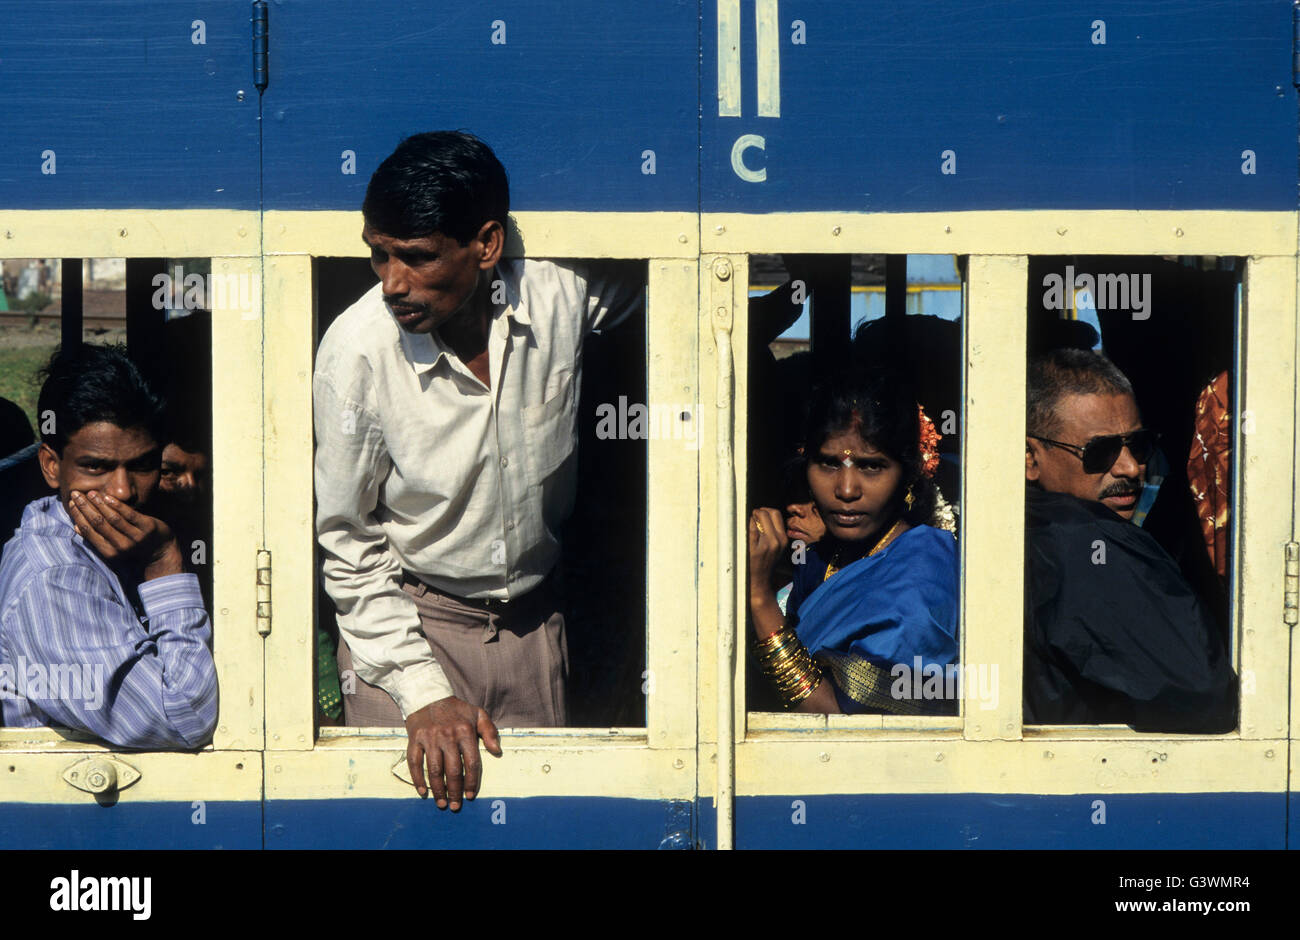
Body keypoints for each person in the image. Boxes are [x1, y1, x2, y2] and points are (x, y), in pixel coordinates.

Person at [314, 131, 643, 808]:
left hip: (533, 629)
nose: (392, 284)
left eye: (417, 257)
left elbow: (681, 264)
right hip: (407, 626)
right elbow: (347, 542)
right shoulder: (356, 351)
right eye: (378, 256)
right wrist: (421, 691)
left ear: (487, 246)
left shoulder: (559, 299)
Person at [0, 344, 217, 748]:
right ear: (51, 466)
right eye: (96, 467)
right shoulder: (56, 577)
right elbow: (185, 717)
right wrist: (164, 563)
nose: (122, 491)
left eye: (142, 465)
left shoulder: (107, 549)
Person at [1023, 348, 1236, 731]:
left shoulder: (1027, 528)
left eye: (1137, 445)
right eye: (1099, 451)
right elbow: (1203, 695)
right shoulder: (1086, 543)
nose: (1131, 467)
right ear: (1030, 457)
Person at [747, 371, 959, 714]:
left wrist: (759, 598)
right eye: (829, 463)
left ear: (908, 472)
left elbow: (842, 724)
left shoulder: (921, 577)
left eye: (871, 467)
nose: (846, 490)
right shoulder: (828, 554)